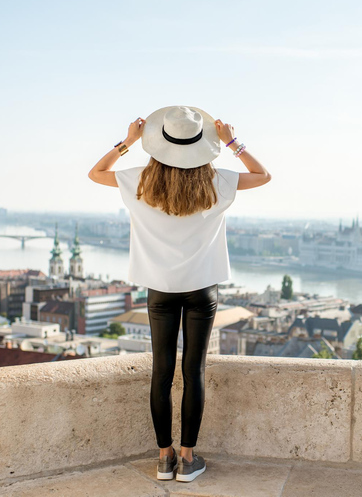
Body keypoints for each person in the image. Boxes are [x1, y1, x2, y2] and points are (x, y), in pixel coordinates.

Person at [87, 105, 272, 483]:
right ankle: (188, 459)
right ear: (202, 146)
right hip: (202, 287)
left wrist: (127, 142)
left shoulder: (140, 180)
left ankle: (163, 457)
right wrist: (232, 141)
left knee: (161, 371)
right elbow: (262, 175)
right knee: (194, 370)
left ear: (160, 144)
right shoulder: (218, 180)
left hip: (160, 290)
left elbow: (95, 173)